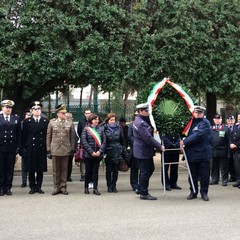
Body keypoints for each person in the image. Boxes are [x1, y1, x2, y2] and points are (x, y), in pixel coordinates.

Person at [133, 103, 164, 200]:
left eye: (148, 111)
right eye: (146, 111)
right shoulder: (141, 123)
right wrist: (159, 146)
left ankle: (140, 187)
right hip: (143, 150)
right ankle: (144, 192)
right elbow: (148, 138)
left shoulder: (141, 120)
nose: (148, 112)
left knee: (148, 169)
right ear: (140, 111)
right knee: (146, 171)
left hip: (143, 150)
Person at [180, 106, 212, 201]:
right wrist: (181, 140)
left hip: (203, 153)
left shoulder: (205, 123)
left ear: (202, 114)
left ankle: (204, 193)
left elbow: (198, 135)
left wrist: (184, 142)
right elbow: (182, 133)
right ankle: (193, 192)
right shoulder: (189, 122)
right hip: (191, 154)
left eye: (200, 113)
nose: (198, 114)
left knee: (204, 176)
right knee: (192, 175)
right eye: (196, 113)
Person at [47, 104, 75, 195]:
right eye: (63, 113)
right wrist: (48, 149)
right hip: (55, 149)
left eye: (65, 113)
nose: (65, 115)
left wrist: (72, 148)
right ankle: (56, 187)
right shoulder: (52, 122)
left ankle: (63, 187)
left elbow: (72, 137)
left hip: (65, 149)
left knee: (64, 169)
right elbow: (48, 136)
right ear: (58, 114)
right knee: (56, 170)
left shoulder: (69, 123)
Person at [21, 101, 49, 194]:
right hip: (30, 148)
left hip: (41, 147)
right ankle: (32, 187)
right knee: (31, 169)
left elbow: (47, 136)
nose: (37, 111)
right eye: (35, 109)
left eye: (39, 109)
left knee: (40, 169)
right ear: (31, 110)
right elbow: (23, 136)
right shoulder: (27, 122)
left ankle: (39, 186)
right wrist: (22, 148)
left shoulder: (45, 121)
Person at [81, 113, 106, 195]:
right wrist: (91, 152)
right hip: (88, 155)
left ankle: (95, 188)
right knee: (88, 171)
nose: (97, 121)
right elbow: (84, 141)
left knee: (95, 171)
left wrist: (100, 151)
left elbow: (104, 141)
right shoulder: (86, 129)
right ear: (91, 120)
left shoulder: (101, 129)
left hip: (98, 154)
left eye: (98, 119)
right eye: (95, 119)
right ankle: (86, 187)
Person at [0, 100, 21, 196]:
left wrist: (18, 147)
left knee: (9, 168)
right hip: (1, 147)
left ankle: (8, 187)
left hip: (11, 147)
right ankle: (1, 187)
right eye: (7, 107)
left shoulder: (16, 118)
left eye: (10, 108)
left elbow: (19, 134)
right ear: (2, 108)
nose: (9, 109)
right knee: (1, 168)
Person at [103, 113, 127, 193]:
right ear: (108, 120)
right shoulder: (104, 128)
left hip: (117, 151)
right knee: (109, 170)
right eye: (111, 120)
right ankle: (109, 186)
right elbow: (103, 141)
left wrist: (123, 150)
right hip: (108, 151)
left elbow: (122, 140)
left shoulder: (119, 128)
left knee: (116, 170)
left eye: (114, 120)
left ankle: (114, 185)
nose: (113, 121)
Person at [210, 114, 230, 186]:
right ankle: (214, 179)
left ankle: (224, 180)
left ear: (221, 120)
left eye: (219, 119)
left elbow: (229, 141)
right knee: (214, 166)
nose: (217, 120)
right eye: (216, 119)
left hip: (223, 150)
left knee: (224, 167)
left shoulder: (225, 128)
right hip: (213, 150)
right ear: (213, 120)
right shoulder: (211, 128)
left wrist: (229, 152)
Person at [77, 108, 92, 182]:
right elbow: (79, 131)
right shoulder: (81, 121)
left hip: (92, 143)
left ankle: (89, 174)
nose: (88, 115)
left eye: (89, 113)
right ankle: (83, 175)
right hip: (84, 143)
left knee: (90, 159)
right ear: (84, 114)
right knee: (82, 159)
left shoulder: (93, 121)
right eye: (86, 113)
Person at [128, 111, 141, 192]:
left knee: (144, 168)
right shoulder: (130, 125)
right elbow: (129, 136)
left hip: (143, 149)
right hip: (135, 149)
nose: (137, 116)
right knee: (134, 168)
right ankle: (134, 184)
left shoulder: (144, 124)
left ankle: (142, 184)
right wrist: (137, 144)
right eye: (135, 115)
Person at [65, 112, 79, 182]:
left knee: (69, 163)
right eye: (71, 117)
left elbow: (75, 137)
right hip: (65, 147)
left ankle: (68, 176)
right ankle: (66, 176)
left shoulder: (72, 125)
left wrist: (74, 148)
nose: (72, 119)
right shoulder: (65, 125)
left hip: (71, 148)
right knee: (65, 163)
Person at [20, 109, 32, 188]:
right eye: (27, 115)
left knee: (31, 165)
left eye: (30, 115)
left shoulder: (32, 123)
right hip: (24, 147)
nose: (29, 117)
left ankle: (31, 181)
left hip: (31, 147)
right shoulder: (21, 124)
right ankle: (24, 181)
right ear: (24, 116)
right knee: (24, 166)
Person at [229, 116, 240, 188]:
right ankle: (238, 180)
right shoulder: (236, 126)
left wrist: (236, 145)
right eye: (239, 118)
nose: (239, 120)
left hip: (238, 147)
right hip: (235, 150)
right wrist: (231, 143)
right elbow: (231, 136)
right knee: (237, 166)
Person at [226, 115, 236, 182]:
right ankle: (232, 176)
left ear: (234, 121)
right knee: (229, 164)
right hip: (227, 149)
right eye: (229, 120)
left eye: (232, 120)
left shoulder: (237, 128)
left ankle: (236, 176)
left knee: (236, 164)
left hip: (236, 148)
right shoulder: (225, 128)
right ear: (227, 121)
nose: (230, 122)